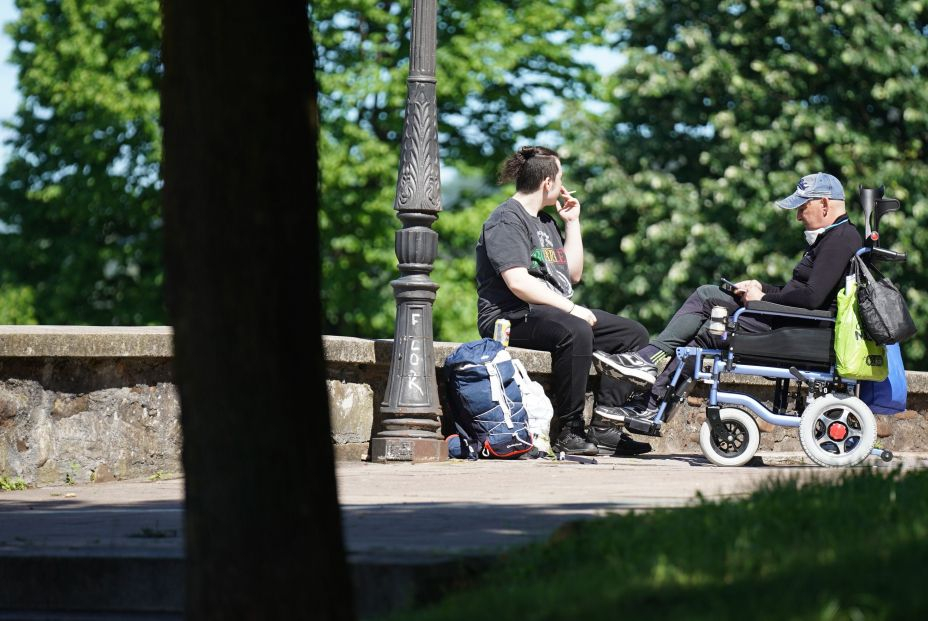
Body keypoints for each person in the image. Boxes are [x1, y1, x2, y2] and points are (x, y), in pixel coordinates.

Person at [593, 172, 863, 425]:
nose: (798, 217)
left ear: (825, 204)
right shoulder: (833, 237)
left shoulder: (840, 238)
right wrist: (761, 287)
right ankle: (652, 402)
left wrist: (761, 298)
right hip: (790, 323)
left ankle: (647, 360)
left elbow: (812, 297)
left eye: (802, 208)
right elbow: (801, 291)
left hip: (798, 331)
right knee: (705, 332)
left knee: (707, 295)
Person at [475, 146, 652, 456]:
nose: (563, 184)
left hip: (550, 312)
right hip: (510, 316)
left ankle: (605, 427)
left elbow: (572, 274)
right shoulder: (506, 220)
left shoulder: (545, 223)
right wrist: (572, 309)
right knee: (576, 330)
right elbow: (517, 282)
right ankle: (570, 430)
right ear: (548, 182)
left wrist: (572, 222)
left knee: (632, 335)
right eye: (561, 177)